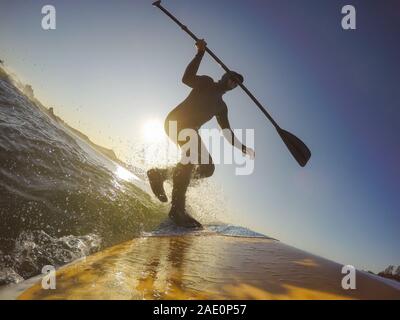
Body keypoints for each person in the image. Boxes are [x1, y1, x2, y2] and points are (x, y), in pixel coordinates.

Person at [147, 39, 255, 228]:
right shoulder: (205, 82)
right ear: (224, 76)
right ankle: (177, 209)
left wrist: (243, 148)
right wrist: (200, 53)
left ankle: (161, 174)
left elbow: (227, 133)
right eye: (232, 77)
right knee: (192, 155)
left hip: (190, 131)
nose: (233, 82)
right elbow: (186, 78)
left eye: (237, 83)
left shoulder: (222, 107)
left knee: (207, 168)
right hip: (175, 122)